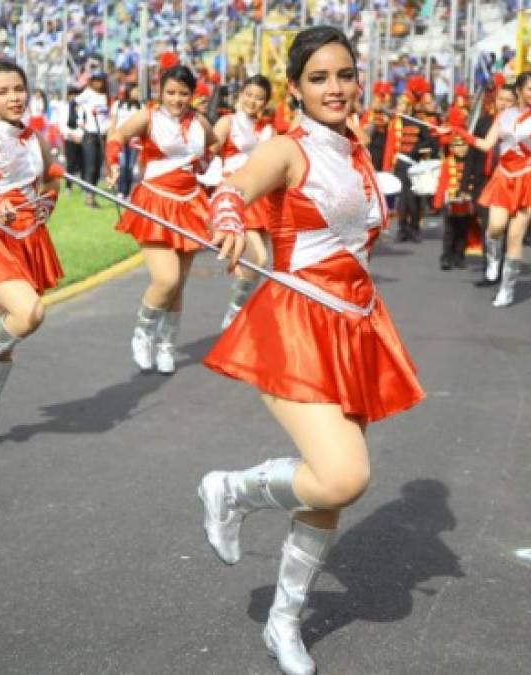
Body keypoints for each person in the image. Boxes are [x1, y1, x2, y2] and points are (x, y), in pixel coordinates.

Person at [197, 26, 425, 675]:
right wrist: (230, 224)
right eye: (319, 77)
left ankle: (283, 620)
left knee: (328, 492)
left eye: (344, 74)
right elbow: (230, 191)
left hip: (353, 326)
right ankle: (232, 489)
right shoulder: (286, 148)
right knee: (344, 473)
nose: (334, 87)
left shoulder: (355, 149)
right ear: (294, 87)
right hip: (295, 324)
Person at [0, 59, 64, 455]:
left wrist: (48, 199)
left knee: (6, 338)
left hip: (27, 236)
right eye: (3, 91)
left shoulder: (34, 137)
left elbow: (52, 176)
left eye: (19, 89)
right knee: (29, 314)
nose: (14, 97)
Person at [105, 64, 218, 374]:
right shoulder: (149, 116)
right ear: (160, 91)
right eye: (171, 92)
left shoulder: (200, 122)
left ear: (192, 95)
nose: (177, 99)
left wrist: (209, 167)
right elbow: (117, 135)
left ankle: (167, 345)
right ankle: (143, 333)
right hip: (155, 202)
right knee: (165, 279)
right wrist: (114, 163)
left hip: (190, 204)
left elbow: (214, 147)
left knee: (178, 284)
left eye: (183, 93)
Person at [445, 71, 531, 307]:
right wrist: (460, 133)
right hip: (504, 177)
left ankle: (507, 289)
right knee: (495, 227)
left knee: (515, 236)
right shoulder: (504, 116)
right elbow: (486, 145)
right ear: (519, 92)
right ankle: (493, 259)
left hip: (529, 179)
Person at [213, 74, 274, 330]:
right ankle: (236, 311)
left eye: (259, 98)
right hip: (237, 195)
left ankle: (237, 311)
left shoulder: (269, 129)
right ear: (240, 95)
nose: (253, 101)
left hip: (264, 197)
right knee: (258, 259)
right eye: (249, 95)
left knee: (256, 261)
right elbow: (207, 151)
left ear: (265, 102)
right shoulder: (228, 122)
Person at [467, 85, 516, 287]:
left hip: (508, 181)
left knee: (504, 226)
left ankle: (503, 266)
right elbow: (473, 154)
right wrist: (465, 183)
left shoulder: (520, 126)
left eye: (508, 100)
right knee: (489, 225)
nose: (503, 104)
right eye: (500, 99)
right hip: (484, 180)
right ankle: (491, 268)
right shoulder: (484, 122)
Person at [382, 78, 438, 242]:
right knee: (403, 200)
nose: (400, 107)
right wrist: (387, 168)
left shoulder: (420, 122)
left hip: (415, 165)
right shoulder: (396, 122)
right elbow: (390, 145)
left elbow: (429, 141)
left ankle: (414, 227)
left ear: (410, 106)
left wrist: (419, 149)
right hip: (400, 163)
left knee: (414, 199)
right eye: (399, 104)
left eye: (403, 104)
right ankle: (402, 229)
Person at [434, 130, 474, 270]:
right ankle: (446, 257)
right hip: (450, 202)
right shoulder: (447, 162)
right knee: (449, 231)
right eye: (456, 145)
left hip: (466, 202)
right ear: (451, 148)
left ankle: (460, 256)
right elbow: (442, 183)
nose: (460, 148)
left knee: (463, 231)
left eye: (463, 145)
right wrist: (438, 202)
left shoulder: (471, 162)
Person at [75, 71, 110, 207]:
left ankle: (93, 194)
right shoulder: (88, 93)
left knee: (97, 167)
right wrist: (79, 120)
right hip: (90, 133)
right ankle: (89, 196)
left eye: (100, 80)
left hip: (103, 135)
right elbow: (74, 104)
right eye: (96, 80)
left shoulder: (106, 95)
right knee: (90, 166)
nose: (98, 83)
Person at [108, 88, 142, 198]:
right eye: (134, 91)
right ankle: (121, 191)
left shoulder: (140, 106)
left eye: (138, 91)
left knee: (130, 166)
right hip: (120, 140)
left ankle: (127, 192)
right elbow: (113, 123)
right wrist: (111, 137)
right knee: (122, 165)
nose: (136, 93)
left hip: (134, 141)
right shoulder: (117, 105)